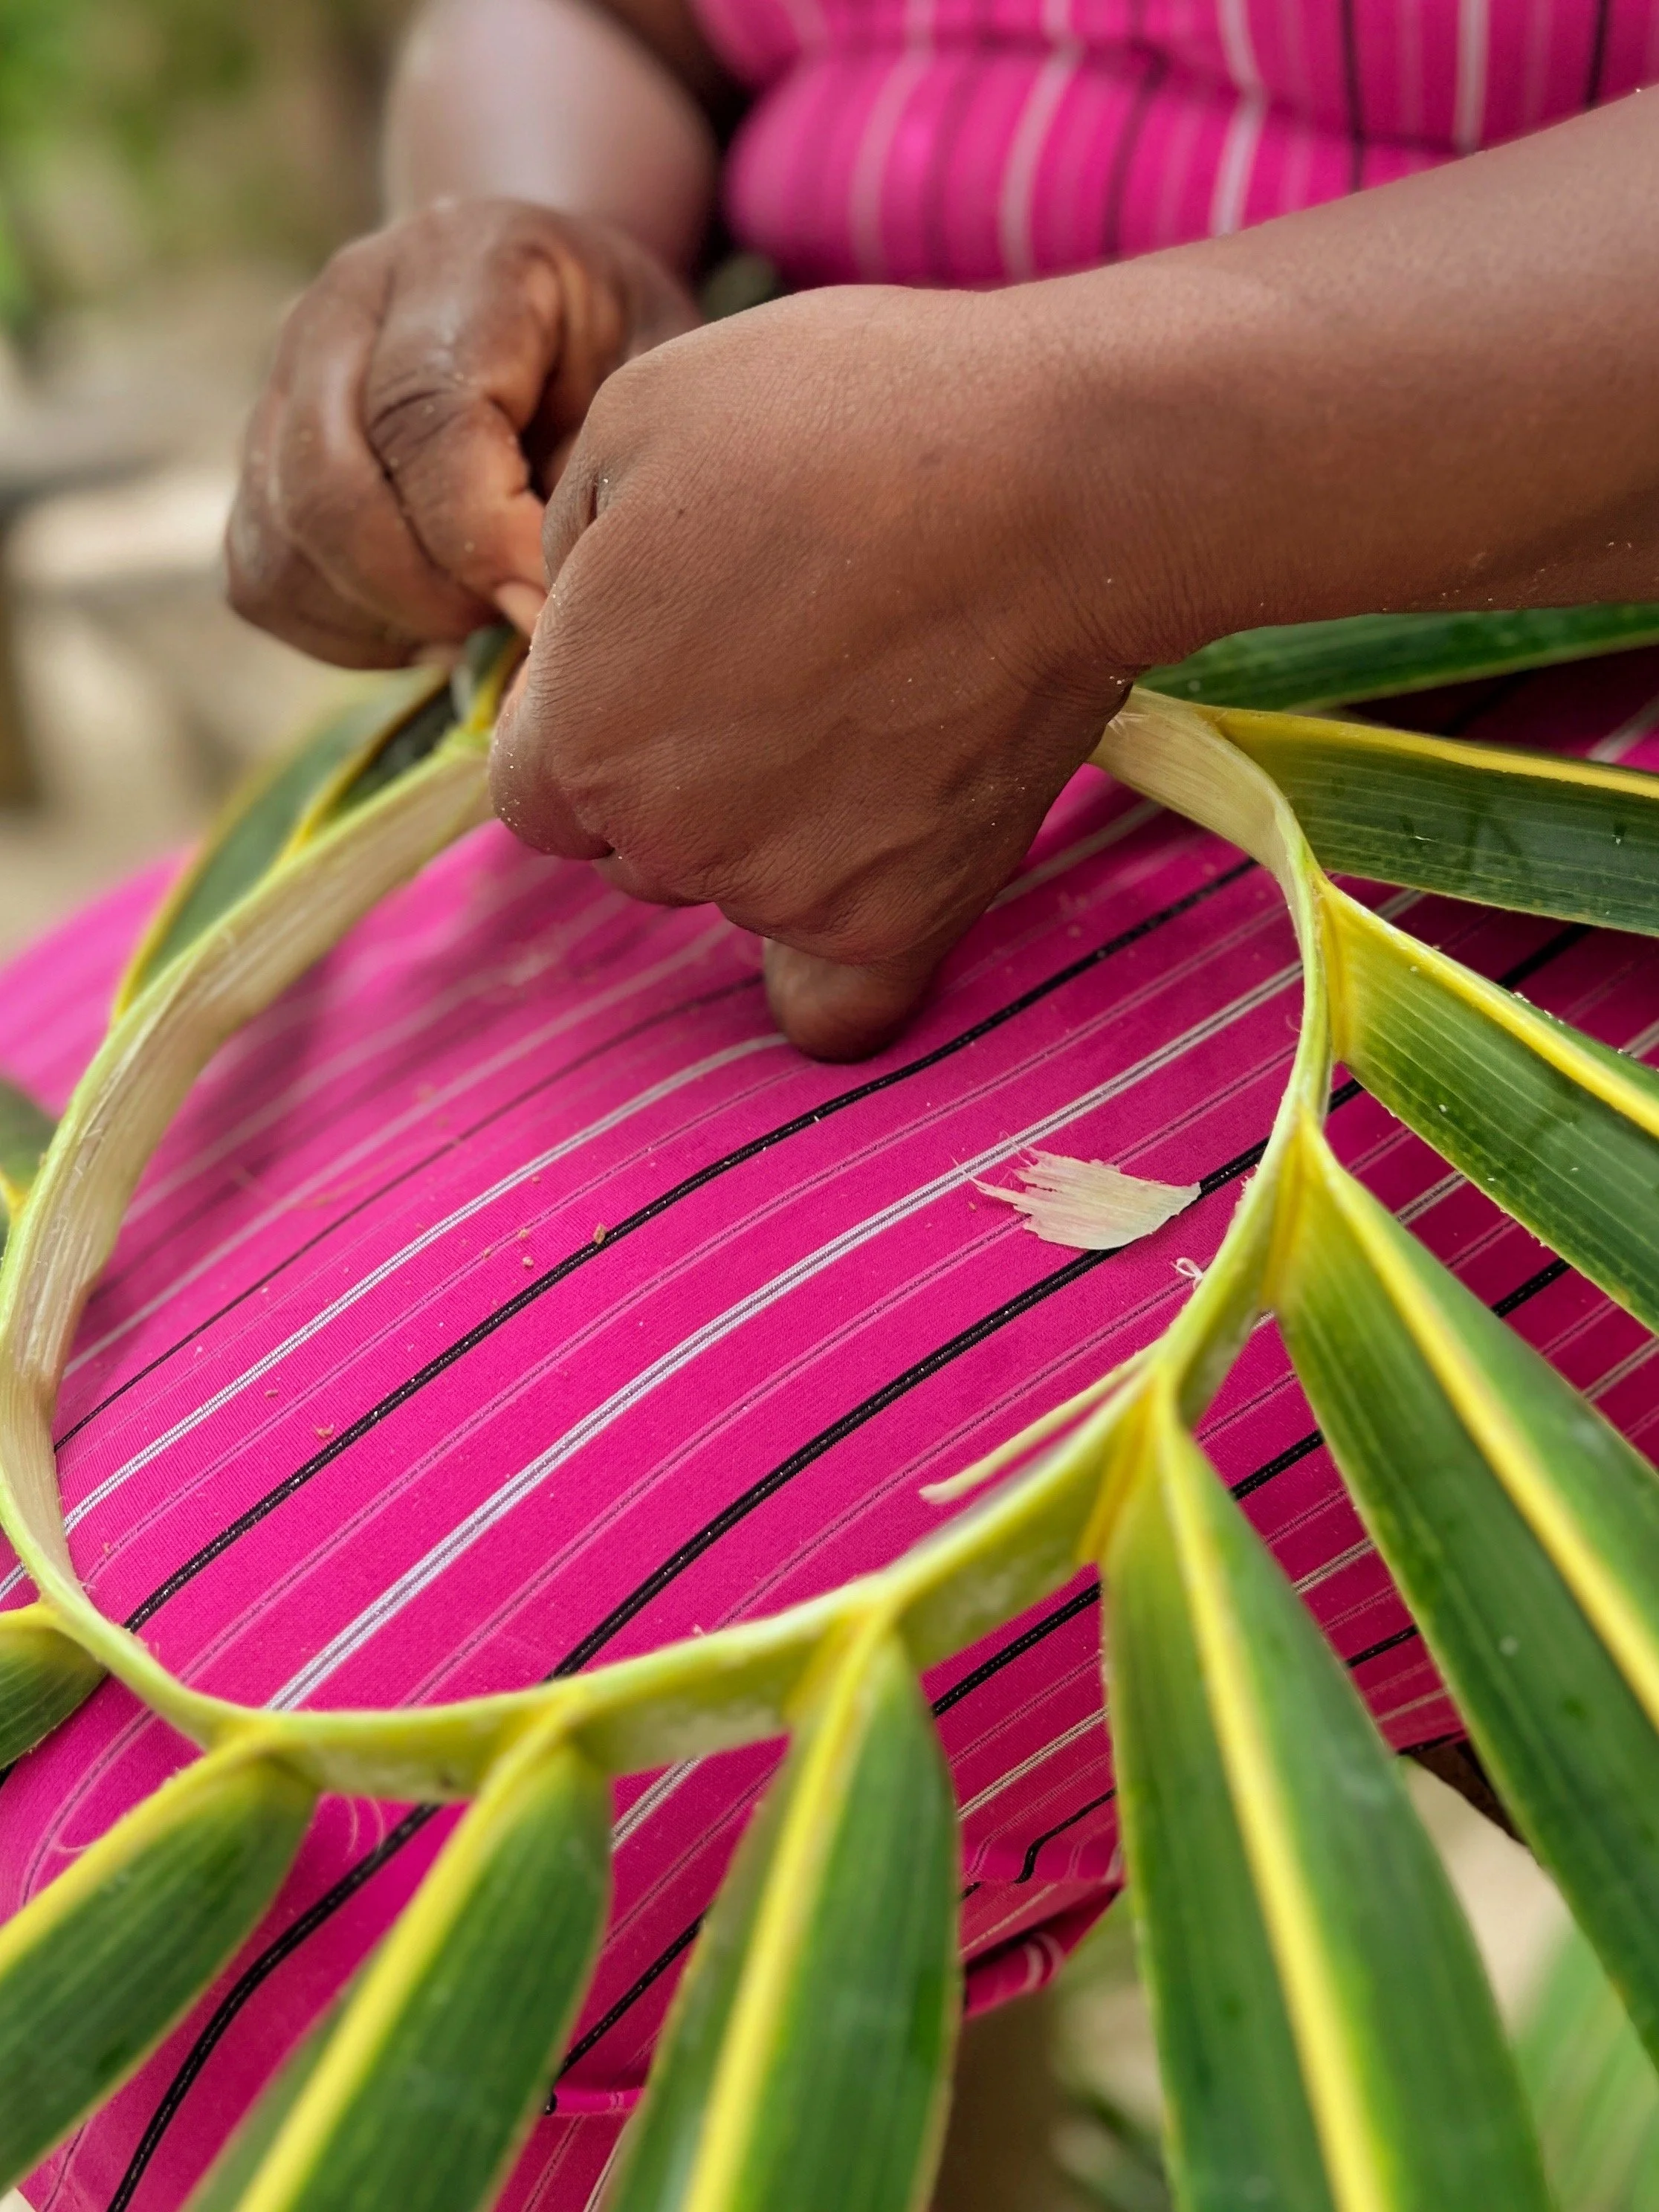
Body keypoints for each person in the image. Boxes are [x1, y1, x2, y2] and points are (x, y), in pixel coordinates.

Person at [1, 3, 1657, 2208]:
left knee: (320, 1907)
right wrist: (537, 236)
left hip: (1531, 729)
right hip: (798, 580)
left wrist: (1085, 489)